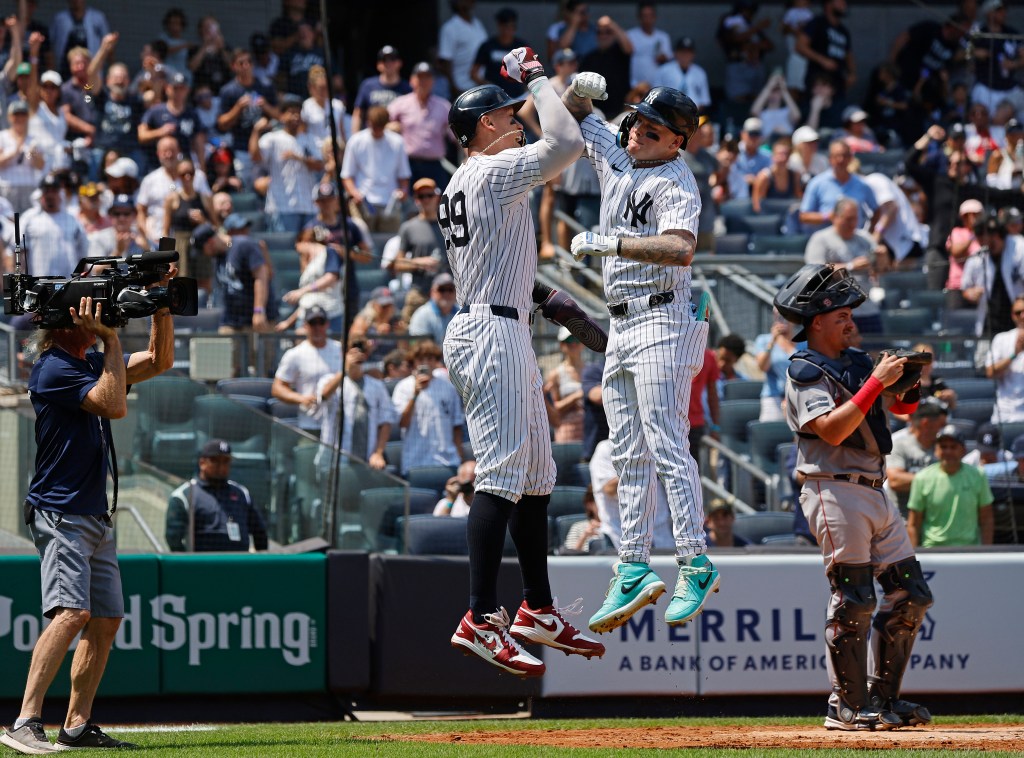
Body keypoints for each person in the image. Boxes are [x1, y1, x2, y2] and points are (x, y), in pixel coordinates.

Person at [441, 50, 606, 676]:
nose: (519, 121)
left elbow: (499, 263)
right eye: (511, 115)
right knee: (504, 477)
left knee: (537, 477)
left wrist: (548, 298)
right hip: (491, 331)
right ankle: (481, 616)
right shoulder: (488, 173)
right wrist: (538, 78)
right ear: (485, 126)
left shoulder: (471, 181)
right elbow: (564, 145)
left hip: (500, 319)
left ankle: (536, 609)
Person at [0, 263, 177, 751]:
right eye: (90, 310)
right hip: (61, 512)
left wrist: (161, 303)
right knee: (71, 612)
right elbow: (113, 404)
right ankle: (24, 721)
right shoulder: (55, 366)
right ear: (65, 322)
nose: (98, 315)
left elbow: (160, 361)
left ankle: (76, 724)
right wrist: (114, 341)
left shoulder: (87, 362)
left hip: (93, 513)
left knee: (105, 618)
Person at [565, 81, 720, 634]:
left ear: (678, 141)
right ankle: (632, 565)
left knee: (665, 440)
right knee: (626, 449)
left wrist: (613, 244)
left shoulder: (677, 179)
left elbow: (680, 247)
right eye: (634, 122)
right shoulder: (620, 153)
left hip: (664, 314)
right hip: (622, 319)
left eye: (651, 130)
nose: (636, 132)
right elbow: (577, 115)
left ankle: (694, 560)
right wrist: (577, 90)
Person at [774, 262, 934, 731]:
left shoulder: (859, 362)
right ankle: (845, 704)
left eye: (849, 314)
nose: (850, 322)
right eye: (840, 315)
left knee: (911, 595)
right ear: (816, 323)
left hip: (874, 489)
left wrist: (910, 382)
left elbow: (900, 410)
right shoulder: (803, 369)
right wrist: (876, 384)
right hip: (832, 488)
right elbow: (832, 428)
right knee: (855, 598)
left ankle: (882, 700)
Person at [165, 439, 270, 552]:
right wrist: (189, 565)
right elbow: (173, 538)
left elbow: (260, 533)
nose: (221, 466)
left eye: (226, 461)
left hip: (239, 563)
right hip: (203, 564)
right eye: (215, 461)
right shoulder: (184, 494)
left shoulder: (241, 493)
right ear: (202, 463)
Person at [804, 197, 886, 333]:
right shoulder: (821, 239)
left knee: (874, 351)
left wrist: (882, 257)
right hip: (836, 309)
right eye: (848, 219)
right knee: (840, 353)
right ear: (835, 217)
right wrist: (850, 266)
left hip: (867, 308)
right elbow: (814, 271)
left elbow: (881, 269)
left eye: (855, 218)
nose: (852, 223)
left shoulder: (864, 238)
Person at [906, 425, 994, 548]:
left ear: (963, 450)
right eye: (943, 447)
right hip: (933, 550)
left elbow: (987, 519)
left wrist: (986, 552)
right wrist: (913, 557)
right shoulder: (921, 478)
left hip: (970, 550)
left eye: (953, 447)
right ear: (936, 450)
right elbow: (914, 523)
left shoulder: (978, 476)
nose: (948, 451)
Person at [315, 344, 396, 470]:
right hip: (334, 458)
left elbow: (386, 421)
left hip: (367, 457)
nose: (356, 356)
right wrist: (345, 370)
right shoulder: (329, 380)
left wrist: (378, 453)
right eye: (352, 352)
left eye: (360, 352)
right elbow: (324, 396)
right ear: (343, 354)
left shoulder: (376, 385)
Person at [249, 95, 322, 233]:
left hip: (309, 205)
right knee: (285, 249)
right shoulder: (272, 138)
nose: (295, 116)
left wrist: (298, 158)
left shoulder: (310, 139)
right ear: (281, 116)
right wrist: (256, 131)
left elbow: (319, 165)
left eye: (298, 112)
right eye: (291, 112)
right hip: (282, 206)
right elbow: (256, 157)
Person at [392, 340, 465, 475]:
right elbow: (402, 423)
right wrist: (415, 395)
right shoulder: (403, 387)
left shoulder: (449, 387)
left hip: (447, 460)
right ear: (413, 362)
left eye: (430, 358)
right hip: (414, 461)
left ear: (436, 361)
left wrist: (459, 453)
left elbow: (457, 425)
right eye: (420, 359)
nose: (425, 362)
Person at [272, 305, 341, 436]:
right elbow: (277, 388)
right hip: (310, 424)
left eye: (321, 322)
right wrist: (301, 398)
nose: (317, 327)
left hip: (340, 423)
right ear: (305, 325)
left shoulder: (340, 350)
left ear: (327, 324)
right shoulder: (295, 354)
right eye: (312, 323)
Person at [341, 105, 411, 234]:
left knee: (390, 244)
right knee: (364, 245)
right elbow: (347, 175)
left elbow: (403, 176)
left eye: (380, 126)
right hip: (362, 203)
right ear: (368, 122)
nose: (377, 130)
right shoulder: (356, 141)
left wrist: (403, 192)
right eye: (374, 126)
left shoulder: (397, 142)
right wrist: (355, 194)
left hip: (390, 203)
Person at [216, 47, 280, 186]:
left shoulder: (265, 85)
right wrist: (237, 108)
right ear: (234, 66)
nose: (246, 66)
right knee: (246, 185)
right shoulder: (228, 91)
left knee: (270, 184)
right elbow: (221, 123)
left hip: (265, 146)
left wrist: (266, 106)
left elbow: (280, 116)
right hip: (242, 148)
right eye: (241, 63)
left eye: (249, 62)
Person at [387, 62, 453, 190]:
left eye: (427, 77)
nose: (423, 81)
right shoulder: (400, 104)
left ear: (433, 81)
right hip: (407, 164)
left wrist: (468, 156)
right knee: (408, 206)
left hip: (434, 164)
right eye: (420, 77)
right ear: (412, 80)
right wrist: (390, 128)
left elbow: (457, 136)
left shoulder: (443, 106)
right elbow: (380, 126)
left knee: (440, 204)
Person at [16, 173, 89, 277]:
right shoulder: (29, 218)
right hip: (38, 284)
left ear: (60, 193)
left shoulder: (73, 220)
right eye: (47, 191)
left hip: (68, 283)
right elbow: (20, 252)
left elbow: (82, 255)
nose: (50, 195)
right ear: (41, 194)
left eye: (54, 190)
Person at [962, 217, 1024, 339]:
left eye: (992, 236)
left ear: (1000, 234)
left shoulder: (1019, 248)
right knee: (983, 357)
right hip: (989, 322)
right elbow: (965, 288)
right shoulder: (978, 255)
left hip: (1017, 320)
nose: (987, 241)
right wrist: (970, 293)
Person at [887, 396, 948, 514]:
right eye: (941, 425)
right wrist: (939, 479)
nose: (944, 429)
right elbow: (895, 480)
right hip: (903, 518)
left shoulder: (943, 447)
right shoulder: (899, 444)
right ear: (926, 423)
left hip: (933, 521)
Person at [798, 140, 878, 231]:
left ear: (850, 158)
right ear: (830, 159)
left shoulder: (861, 184)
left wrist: (870, 232)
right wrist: (828, 217)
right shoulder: (816, 183)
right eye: (837, 156)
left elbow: (876, 210)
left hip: (854, 239)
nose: (841, 160)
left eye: (844, 155)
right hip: (826, 240)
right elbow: (803, 216)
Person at [351, 45, 410, 134]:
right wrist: (355, 137)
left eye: (392, 59)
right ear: (378, 65)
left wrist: (401, 126)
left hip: (397, 138)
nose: (388, 63)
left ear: (399, 63)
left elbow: (413, 117)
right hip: (372, 136)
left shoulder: (407, 88)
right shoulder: (368, 85)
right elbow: (358, 114)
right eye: (384, 60)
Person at [984, 293, 1024, 423]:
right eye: (1018, 312)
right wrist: (1014, 354)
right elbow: (990, 372)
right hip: (1005, 414)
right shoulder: (1001, 339)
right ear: (1013, 315)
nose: (1023, 316)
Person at [470, 8, 528, 97]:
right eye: (505, 26)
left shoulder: (522, 47)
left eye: (511, 27)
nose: (508, 31)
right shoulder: (488, 46)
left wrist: (527, 93)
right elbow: (473, 73)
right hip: (493, 98)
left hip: (517, 97)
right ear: (499, 26)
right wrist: (487, 86)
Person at [754, 309, 799, 421]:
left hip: (798, 397)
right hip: (773, 398)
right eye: (778, 316)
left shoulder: (804, 343)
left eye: (785, 316)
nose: (782, 319)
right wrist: (772, 342)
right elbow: (762, 367)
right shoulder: (764, 340)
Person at [437, 0, 488, 97]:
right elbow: (445, 62)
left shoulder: (478, 24)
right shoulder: (450, 28)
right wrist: (454, 89)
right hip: (462, 90)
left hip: (481, 88)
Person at [544, 326, 585, 443]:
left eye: (577, 339)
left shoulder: (590, 370)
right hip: (567, 433)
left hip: (590, 432)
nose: (574, 344)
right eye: (569, 341)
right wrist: (577, 396)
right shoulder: (555, 374)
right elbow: (554, 409)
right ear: (562, 345)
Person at [652, 37, 710, 113]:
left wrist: (692, 115)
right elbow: (655, 95)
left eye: (688, 52)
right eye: (682, 52)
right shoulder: (663, 70)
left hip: (693, 115)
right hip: (668, 114)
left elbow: (704, 101)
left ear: (693, 54)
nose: (685, 55)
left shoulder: (700, 72)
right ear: (675, 53)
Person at [626, 1, 671, 90]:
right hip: (635, 87)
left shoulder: (663, 37)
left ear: (655, 17)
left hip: (658, 88)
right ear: (639, 17)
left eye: (650, 16)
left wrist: (663, 58)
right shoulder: (630, 35)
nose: (647, 19)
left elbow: (669, 59)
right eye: (644, 16)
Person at [408, 272, 459, 346]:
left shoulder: (462, 312)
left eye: (450, 289)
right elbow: (419, 348)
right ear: (432, 292)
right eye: (442, 289)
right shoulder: (422, 315)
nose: (446, 293)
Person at [564, 486, 604, 552]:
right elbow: (569, 556)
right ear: (589, 505)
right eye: (602, 501)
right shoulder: (578, 527)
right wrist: (584, 536)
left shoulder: (621, 526)